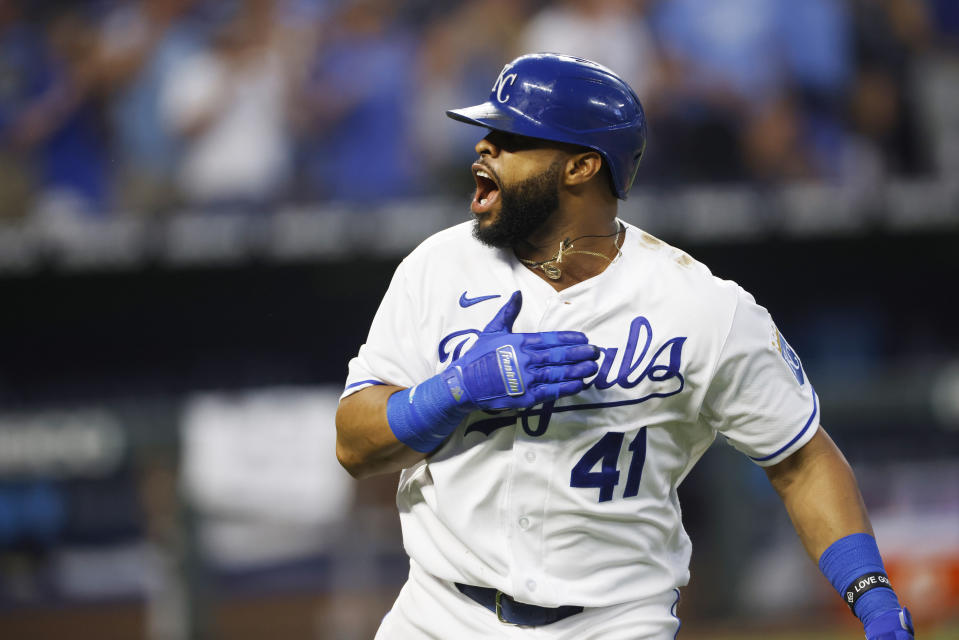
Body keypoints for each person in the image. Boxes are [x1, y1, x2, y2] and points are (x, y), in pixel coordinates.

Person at [335, 53, 915, 639]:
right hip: (440, 615)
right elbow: (354, 445)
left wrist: (870, 592)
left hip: (613, 624)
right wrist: (452, 391)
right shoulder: (437, 266)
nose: (485, 148)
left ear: (582, 166)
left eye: (511, 137)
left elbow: (801, 458)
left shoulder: (701, 306)